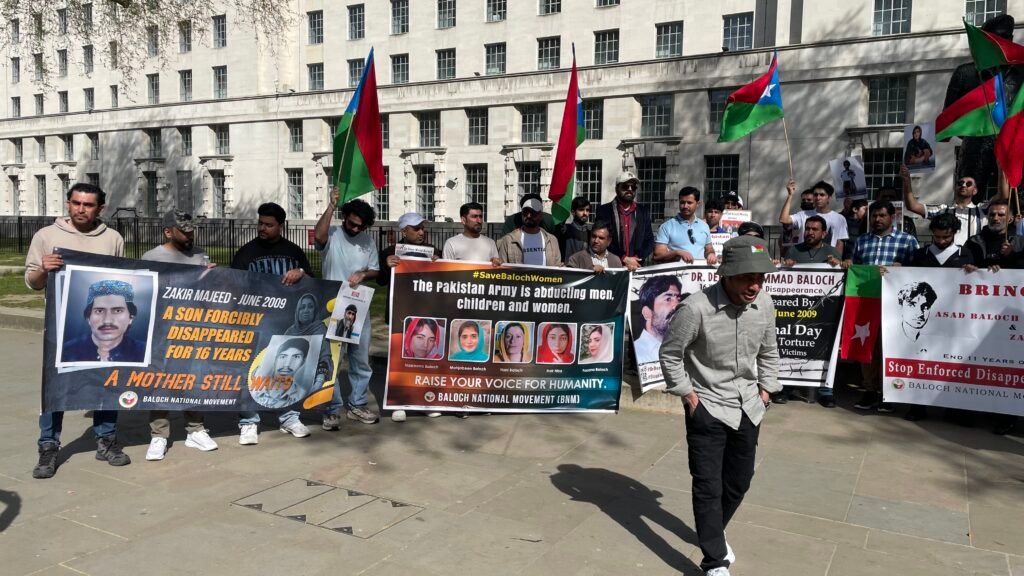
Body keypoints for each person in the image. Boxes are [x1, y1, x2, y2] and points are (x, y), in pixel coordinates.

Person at [660, 235, 780, 576]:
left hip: (749, 406)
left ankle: (712, 531)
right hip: (707, 407)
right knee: (708, 485)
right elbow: (671, 355)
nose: (754, 285)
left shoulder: (766, 305)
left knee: (739, 483)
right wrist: (688, 395)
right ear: (726, 273)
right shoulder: (695, 308)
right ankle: (714, 558)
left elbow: (770, 351)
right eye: (746, 277)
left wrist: (767, 391)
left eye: (759, 278)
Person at [25, 182, 129, 478]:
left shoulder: (112, 238)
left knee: (107, 383)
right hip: (61, 325)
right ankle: (48, 446)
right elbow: (32, 282)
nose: (80, 209)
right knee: (55, 388)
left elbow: (122, 278)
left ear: (100, 208)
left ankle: (106, 440)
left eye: (87, 205)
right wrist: (43, 268)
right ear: (68, 203)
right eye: (75, 203)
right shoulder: (46, 236)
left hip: (105, 328)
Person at [232, 202, 316, 444]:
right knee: (250, 371)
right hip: (254, 321)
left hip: (285, 322)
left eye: (269, 224)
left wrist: (301, 272)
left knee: (283, 371)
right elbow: (233, 284)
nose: (262, 228)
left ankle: (288, 416)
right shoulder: (246, 252)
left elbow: (311, 282)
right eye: (260, 223)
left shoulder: (293, 251)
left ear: (281, 225)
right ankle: (248, 421)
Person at [140, 210, 218, 461]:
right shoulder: (152, 257)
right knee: (160, 382)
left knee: (194, 378)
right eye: (184, 230)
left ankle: (195, 429)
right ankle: (159, 435)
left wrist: (213, 277)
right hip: (164, 331)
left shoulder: (199, 255)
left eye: (192, 230)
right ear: (168, 231)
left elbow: (209, 292)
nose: (189, 235)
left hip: (195, 329)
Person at [845, 200, 919, 413]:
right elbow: (855, 266)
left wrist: (902, 268)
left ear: (893, 216)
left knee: (888, 347)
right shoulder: (862, 241)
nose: (877, 220)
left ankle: (889, 392)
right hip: (867, 301)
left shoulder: (907, 241)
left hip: (894, 304)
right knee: (867, 344)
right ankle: (869, 390)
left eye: (881, 216)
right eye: (874, 216)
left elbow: (919, 269)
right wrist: (849, 264)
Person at [314, 190, 380, 427]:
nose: (355, 229)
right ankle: (331, 407)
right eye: (351, 224)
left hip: (359, 304)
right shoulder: (332, 233)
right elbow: (318, 238)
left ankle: (357, 404)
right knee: (332, 359)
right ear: (345, 218)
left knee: (360, 359)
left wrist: (364, 273)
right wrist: (330, 207)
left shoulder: (367, 240)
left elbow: (375, 269)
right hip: (334, 304)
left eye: (360, 227)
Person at [903, 213, 976, 422]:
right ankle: (918, 406)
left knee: (953, 364)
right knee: (922, 361)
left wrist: (975, 272)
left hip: (955, 320)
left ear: (954, 233)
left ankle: (954, 409)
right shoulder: (920, 255)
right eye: (937, 237)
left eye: (946, 237)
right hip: (926, 320)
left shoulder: (967, 254)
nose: (941, 241)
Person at [902, 165, 1008, 245]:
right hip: (948, 260)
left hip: (973, 259)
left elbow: (1003, 196)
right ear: (955, 188)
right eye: (960, 183)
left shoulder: (982, 209)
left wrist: (1002, 167)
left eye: (969, 184)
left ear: (975, 191)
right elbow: (912, 206)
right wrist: (907, 180)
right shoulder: (943, 210)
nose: (963, 185)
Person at [62, 280, 147, 363]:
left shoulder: (146, 353)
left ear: (131, 317)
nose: (107, 320)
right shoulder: (64, 353)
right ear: (88, 317)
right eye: (99, 311)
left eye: (117, 311)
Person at [595, 171, 654, 269]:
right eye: (625, 186)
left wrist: (637, 258)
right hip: (611, 266)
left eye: (633, 187)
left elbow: (649, 240)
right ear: (617, 188)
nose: (630, 189)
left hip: (637, 266)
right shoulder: (604, 211)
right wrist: (623, 258)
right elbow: (602, 239)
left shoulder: (643, 212)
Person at [378, 212, 441, 302]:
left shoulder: (433, 251)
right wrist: (386, 267)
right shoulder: (390, 252)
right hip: (399, 306)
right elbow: (380, 281)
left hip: (424, 305)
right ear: (404, 232)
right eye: (416, 229)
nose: (421, 233)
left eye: (422, 229)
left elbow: (440, 283)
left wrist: (440, 265)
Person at [779, 180, 849, 255]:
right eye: (815, 195)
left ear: (829, 198)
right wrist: (790, 195)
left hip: (828, 263)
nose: (818, 198)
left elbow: (839, 243)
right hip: (803, 259)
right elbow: (783, 219)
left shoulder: (839, 218)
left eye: (822, 195)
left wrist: (837, 261)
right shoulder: (803, 214)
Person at [653, 187, 718, 264]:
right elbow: (658, 255)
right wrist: (677, 253)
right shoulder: (667, 226)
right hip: (675, 273)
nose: (685, 206)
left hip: (698, 272)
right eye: (682, 202)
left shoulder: (704, 226)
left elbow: (709, 248)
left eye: (689, 203)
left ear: (697, 204)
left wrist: (711, 254)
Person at [497, 194, 563, 265]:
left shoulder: (552, 241)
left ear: (541, 215)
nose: (529, 215)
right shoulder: (508, 240)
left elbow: (556, 268)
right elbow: (502, 268)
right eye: (525, 212)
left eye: (533, 212)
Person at [633, 275, 683, 365]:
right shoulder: (637, 353)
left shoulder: (682, 348)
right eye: (668, 299)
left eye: (678, 299)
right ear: (647, 312)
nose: (677, 305)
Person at [250, 337, 312, 409]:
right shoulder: (253, 387)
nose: (287, 364)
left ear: (303, 362)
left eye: (296, 357)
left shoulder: (302, 394)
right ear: (275, 359)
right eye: (283, 357)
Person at [964, 199, 1024, 271]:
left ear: (1010, 220)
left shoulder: (1020, 243)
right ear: (987, 217)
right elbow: (961, 264)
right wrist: (966, 267)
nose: (995, 218)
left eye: (1001, 215)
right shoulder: (973, 241)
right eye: (992, 215)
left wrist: (1012, 254)